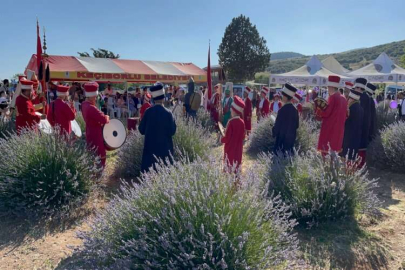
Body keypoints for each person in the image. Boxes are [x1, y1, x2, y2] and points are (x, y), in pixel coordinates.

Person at [139, 83, 177, 173]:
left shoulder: (148, 112)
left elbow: (141, 130)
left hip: (150, 153)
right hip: (165, 152)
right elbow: (173, 131)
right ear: (163, 98)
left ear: (153, 99)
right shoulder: (168, 113)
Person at [81, 82, 110, 168]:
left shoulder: (84, 104)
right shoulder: (91, 107)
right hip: (96, 133)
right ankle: (99, 174)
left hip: (89, 131)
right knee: (101, 154)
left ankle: (93, 172)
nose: (96, 98)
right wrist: (107, 116)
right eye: (95, 96)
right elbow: (104, 119)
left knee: (92, 153)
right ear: (93, 96)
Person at [317, 75, 348, 155]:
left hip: (329, 130)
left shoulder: (333, 97)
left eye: (328, 87)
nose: (327, 89)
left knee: (326, 156)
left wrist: (319, 109)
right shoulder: (344, 98)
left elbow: (326, 113)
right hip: (339, 132)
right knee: (334, 156)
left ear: (331, 87)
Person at [272, 83, 299, 155]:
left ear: (286, 97)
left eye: (283, 95)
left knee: (279, 158)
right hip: (291, 139)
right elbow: (297, 125)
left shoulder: (282, 110)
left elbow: (277, 126)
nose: (281, 97)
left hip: (281, 140)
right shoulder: (295, 110)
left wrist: (274, 131)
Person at [221, 96, 245, 173]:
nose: (231, 111)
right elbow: (243, 136)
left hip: (230, 148)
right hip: (238, 148)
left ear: (234, 111)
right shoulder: (242, 122)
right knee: (237, 163)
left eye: (231, 110)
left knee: (229, 163)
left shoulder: (231, 122)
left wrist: (221, 139)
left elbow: (227, 138)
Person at [341, 89, 363, 163]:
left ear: (352, 98)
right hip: (356, 136)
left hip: (349, 135)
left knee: (347, 156)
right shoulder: (360, 108)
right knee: (353, 156)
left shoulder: (351, 108)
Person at [354, 78, 371, 167]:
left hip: (361, 127)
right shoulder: (357, 95)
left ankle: (359, 167)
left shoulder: (365, 97)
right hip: (356, 127)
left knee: (360, 150)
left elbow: (366, 115)